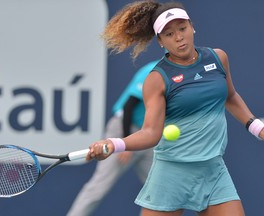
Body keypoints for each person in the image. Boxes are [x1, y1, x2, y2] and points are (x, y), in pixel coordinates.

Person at [86, 1, 264, 216]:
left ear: (192, 27)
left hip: (213, 172)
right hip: (171, 175)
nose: (179, 37)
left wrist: (257, 127)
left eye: (182, 28)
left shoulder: (218, 58)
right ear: (160, 41)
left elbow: (231, 96)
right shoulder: (157, 79)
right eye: (169, 34)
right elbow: (151, 133)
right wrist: (113, 144)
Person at [66, 60, 159, 216]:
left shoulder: (181, 76)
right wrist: (126, 142)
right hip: (125, 130)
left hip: (149, 138)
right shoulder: (153, 71)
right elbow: (128, 107)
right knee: (99, 188)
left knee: (159, 190)